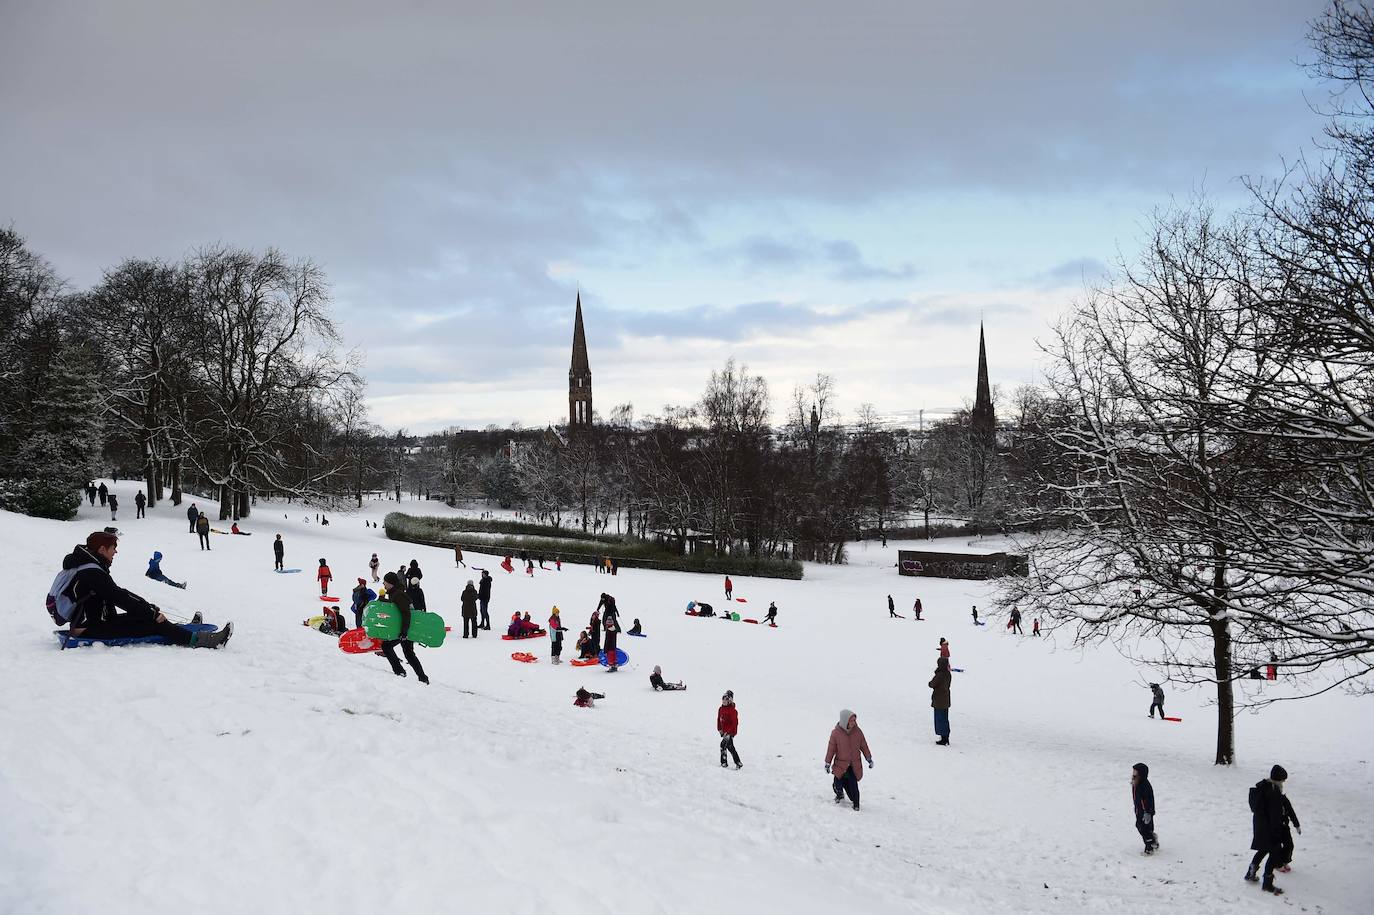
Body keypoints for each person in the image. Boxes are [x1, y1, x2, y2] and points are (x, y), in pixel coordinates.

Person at [50, 531, 232, 648]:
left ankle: (179, 628)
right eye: (113, 548)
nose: (115, 552)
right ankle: (203, 641)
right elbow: (118, 596)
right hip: (92, 629)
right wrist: (150, 613)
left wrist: (147, 607)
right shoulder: (91, 572)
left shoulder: (87, 566)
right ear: (102, 549)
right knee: (155, 623)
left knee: (147, 615)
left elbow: (116, 592)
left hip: (96, 622)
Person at [1246, 765, 1295, 894]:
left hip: (1260, 826)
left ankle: (1251, 872)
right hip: (1270, 828)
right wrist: (1276, 833)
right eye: (1283, 780)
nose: (1284, 782)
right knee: (1274, 854)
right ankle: (1267, 884)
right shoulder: (1274, 792)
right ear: (1279, 779)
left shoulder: (1264, 787)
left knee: (1263, 850)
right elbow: (1275, 815)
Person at [378, 571, 428, 684]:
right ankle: (422, 678)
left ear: (390, 583)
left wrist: (404, 632)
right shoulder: (395, 593)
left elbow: (406, 613)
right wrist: (383, 601)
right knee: (408, 653)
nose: (383, 584)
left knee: (388, 647)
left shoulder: (398, 594)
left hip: (405, 628)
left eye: (384, 582)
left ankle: (401, 672)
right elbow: (395, 608)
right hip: (403, 628)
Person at [825, 710, 874, 811]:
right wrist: (827, 763)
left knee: (853, 785)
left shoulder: (858, 732)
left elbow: (864, 746)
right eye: (851, 721)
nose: (853, 723)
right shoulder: (836, 733)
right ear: (844, 721)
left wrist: (868, 758)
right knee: (838, 783)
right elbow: (831, 749)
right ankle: (839, 793)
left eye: (854, 721)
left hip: (852, 766)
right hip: (841, 765)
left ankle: (856, 803)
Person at [1131, 763, 1159, 855]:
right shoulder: (1137, 782)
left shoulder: (1144, 785)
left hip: (1145, 812)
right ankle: (1153, 840)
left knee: (1144, 828)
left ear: (1141, 774)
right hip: (1139, 810)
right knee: (1143, 827)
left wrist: (1148, 812)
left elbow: (1148, 800)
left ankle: (1149, 848)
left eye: (1136, 772)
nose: (1133, 774)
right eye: (1133, 771)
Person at [929, 656, 952, 745]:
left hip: (939, 700)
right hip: (946, 699)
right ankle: (946, 737)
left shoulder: (940, 675)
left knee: (940, 719)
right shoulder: (948, 674)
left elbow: (932, 684)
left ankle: (943, 739)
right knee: (945, 719)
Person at [717, 690, 741, 769]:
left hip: (730, 732)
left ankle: (724, 763)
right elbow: (718, 719)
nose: (724, 701)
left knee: (723, 745)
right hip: (724, 732)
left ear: (730, 701)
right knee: (730, 747)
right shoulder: (721, 709)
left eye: (726, 700)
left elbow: (734, 723)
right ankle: (738, 763)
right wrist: (719, 729)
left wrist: (728, 733)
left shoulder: (733, 711)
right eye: (723, 699)